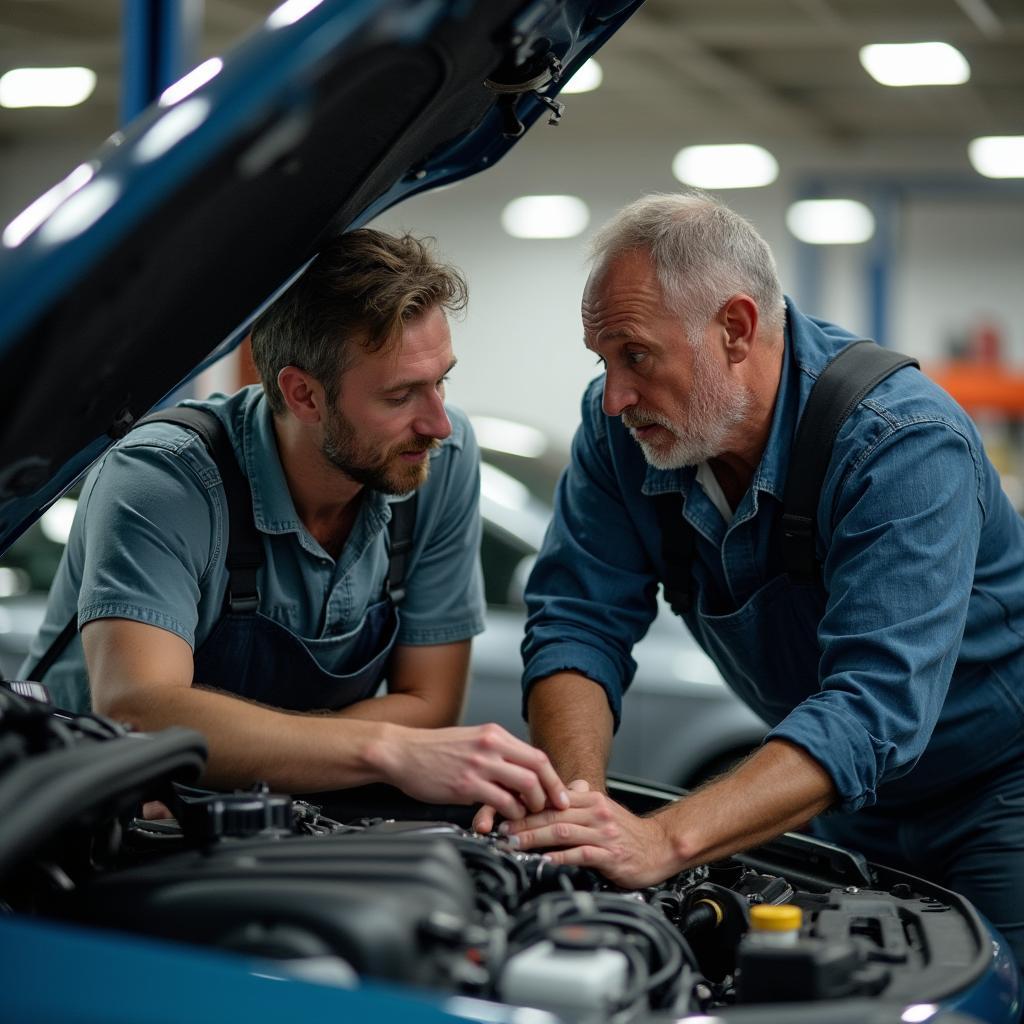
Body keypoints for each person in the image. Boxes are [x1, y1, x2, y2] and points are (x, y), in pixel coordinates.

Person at [480, 191, 1024, 967]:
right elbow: (577, 621)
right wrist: (583, 815)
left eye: (635, 355)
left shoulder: (903, 445)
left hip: (999, 792)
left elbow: (874, 704)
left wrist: (665, 838)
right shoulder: (621, 436)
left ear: (734, 328)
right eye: (603, 362)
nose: (615, 396)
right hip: (847, 802)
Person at [22, 228, 568, 822]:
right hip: (86, 830)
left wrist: (236, 745)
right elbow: (141, 713)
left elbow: (430, 704)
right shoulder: (164, 479)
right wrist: (384, 746)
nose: (437, 422)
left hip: (275, 822)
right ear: (303, 394)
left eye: (442, 381)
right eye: (400, 395)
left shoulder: (443, 460)